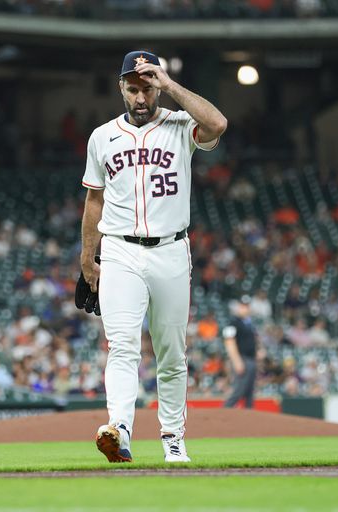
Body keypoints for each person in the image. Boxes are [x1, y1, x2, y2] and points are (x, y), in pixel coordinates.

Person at [79, 50, 227, 463]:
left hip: (171, 250)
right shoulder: (102, 136)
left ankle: (173, 439)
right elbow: (94, 199)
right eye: (134, 88)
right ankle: (120, 431)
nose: (141, 96)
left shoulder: (180, 125)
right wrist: (88, 257)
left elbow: (218, 124)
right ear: (121, 88)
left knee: (171, 352)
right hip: (121, 250)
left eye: (147, 87)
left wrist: (171, 85)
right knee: (122, 345)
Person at [223, 296, 261, 409]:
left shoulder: (249, 323)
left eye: (247, 306)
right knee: (239, 390)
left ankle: (249, 421)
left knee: (249, 393)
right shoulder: (233, 322)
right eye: (243, 306)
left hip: (251, 359)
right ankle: (224, 412)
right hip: (242, 359)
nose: (245, 309)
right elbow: (229, 342)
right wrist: (236, 361)